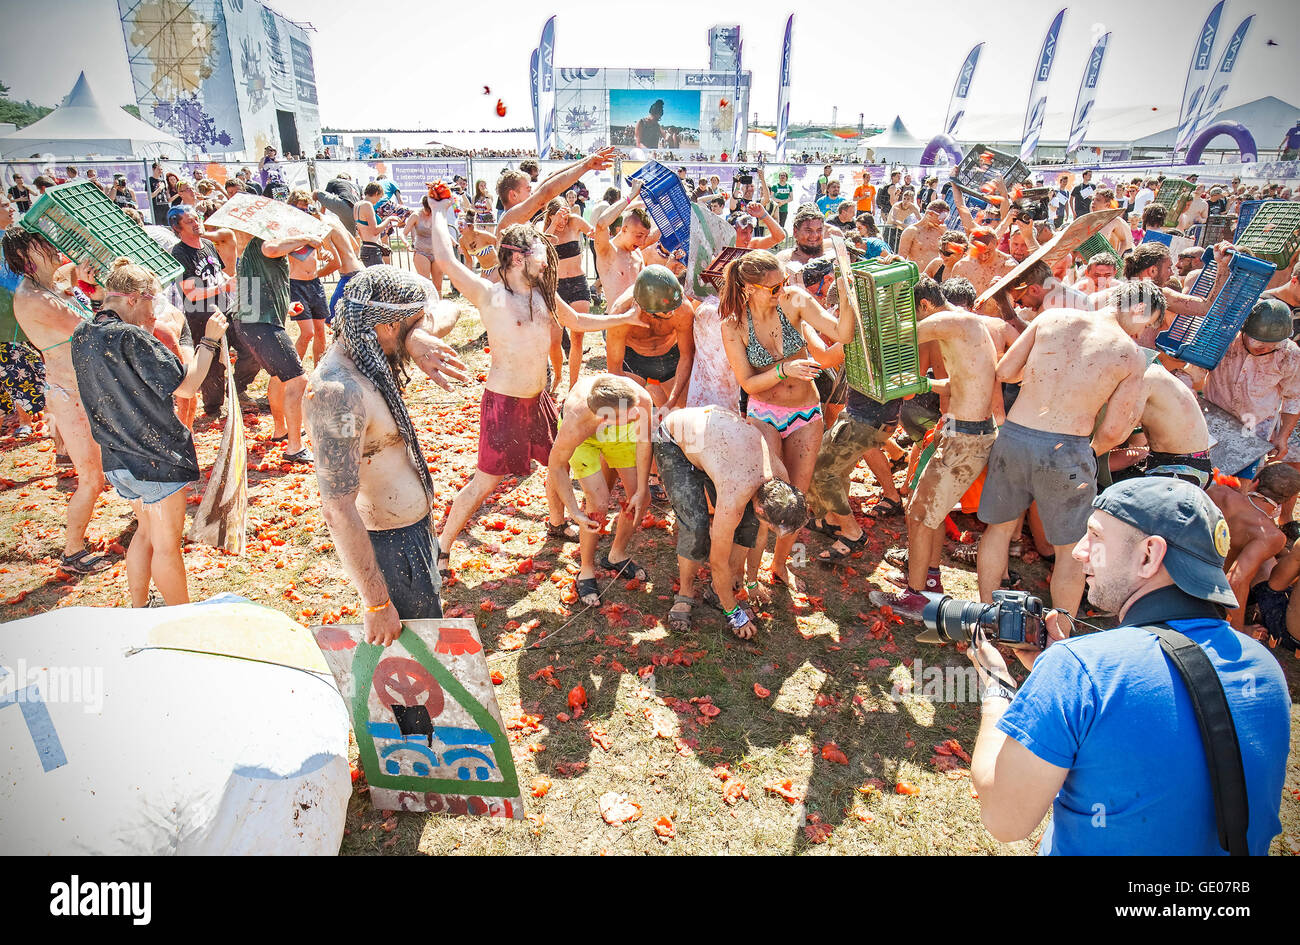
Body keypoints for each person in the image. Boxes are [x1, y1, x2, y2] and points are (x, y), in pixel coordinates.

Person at [965, 476, 1289, 855]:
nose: (1080, 552)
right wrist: (1062, 687)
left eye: (1096, 536)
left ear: (1150, 554)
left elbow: (1004, 821)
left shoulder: (1078, 668)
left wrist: (997, 689)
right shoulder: (1266, 668)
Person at [423, 199, 648, 575]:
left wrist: (623, 317)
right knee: (485, 482)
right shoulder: (489, 294)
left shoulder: (544, 293)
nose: (547, 262)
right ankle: (441, 547)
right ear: (515, 259)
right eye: (540, 256)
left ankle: (557, 523)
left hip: (538, 400)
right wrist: (440, 212)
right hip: (503, 404)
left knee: (553, 463)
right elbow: (446, 261)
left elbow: (576, 320)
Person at [304, 266, 468, 645]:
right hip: (389, 551)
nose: (421, 329)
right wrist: (377, 603)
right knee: (414, 666)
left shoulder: (370, 345)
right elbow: (337, 508)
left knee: (426, 649)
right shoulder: (337, 393)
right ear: (389, 325)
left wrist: (416, 337)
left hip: (412, 534)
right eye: (412, 324)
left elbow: (448, 310)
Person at [977, 287, 1153, 617]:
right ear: (1140, 309)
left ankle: (986, 616)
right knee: (1071, 551)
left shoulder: (1052, 317)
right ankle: (1060, 637)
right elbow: (1116, 429)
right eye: (1147, 323)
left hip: (1015, 436)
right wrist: (1092, 449)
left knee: (998, 531)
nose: (1142, 332)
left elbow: (1005, 371)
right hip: (1068, 448)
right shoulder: (1130, 354)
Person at [71, 259, 226, 606]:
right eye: (151, 302)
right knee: (167, 546)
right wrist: (208, 341)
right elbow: (187, 387)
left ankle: (139, 609)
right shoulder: (130, 336)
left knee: (145, 534)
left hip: (118, 457)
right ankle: (181, 623)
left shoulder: (83, 332)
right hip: (154, 460)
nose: (154, 313)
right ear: (132, 299)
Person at [720, 250, 855, 593]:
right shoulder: (734, 324)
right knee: (765, 496)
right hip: (764, 411)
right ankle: (749, 576)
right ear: (749, 288)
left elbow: (843, 333)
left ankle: (780, 566)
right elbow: (748, 383)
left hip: (806, 413)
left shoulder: (795, 300)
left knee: (796, 498)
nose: (782, 288)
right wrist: (784, 369)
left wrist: (848, 292)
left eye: (783, 281)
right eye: (773, 286)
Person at [868, 278, 999, 615]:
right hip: (959, 431)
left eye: (914, 313)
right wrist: (923, 382)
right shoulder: (965, 325)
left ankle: (916, 598)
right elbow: (956, 384)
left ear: (924, 305)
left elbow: (889, 340)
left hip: (966, 437)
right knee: (924, 508)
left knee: (920, 515)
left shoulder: (947, 321)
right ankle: (928, 581)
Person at [2, 227, 110, 574]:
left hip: (89, 386)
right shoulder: (33, 298)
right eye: (41, 247)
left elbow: (80, 293)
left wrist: (90, 283)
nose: (51, 249)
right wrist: (104, 298)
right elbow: (92, 327)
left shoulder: (54, 283)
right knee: (92, 477)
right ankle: (72, 552)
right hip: (71, 395)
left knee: (109, 469)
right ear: (23, 259)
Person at [655, 405, 808, 637]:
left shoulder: (781, 478)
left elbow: (760, 533)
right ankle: (685, 594)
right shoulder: (736, 492)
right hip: (675, 441)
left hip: (719, 447)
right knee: (696, 527)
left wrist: (753, 582)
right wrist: (734, 614)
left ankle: (718, 592)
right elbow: (718, 561)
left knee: (750, 524)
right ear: (761, 507)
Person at [546, 373, 653, 605]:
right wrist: (574, 512)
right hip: (588, 440)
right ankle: (586, 569)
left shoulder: (639, 400)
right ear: (604, 419)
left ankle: (617, 555)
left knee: (640, 498)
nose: (637, 414)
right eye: (630, 414)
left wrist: (643, 487)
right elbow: (555, 467)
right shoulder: (577, 420)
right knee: (598, 503)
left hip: (621, 434)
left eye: (634, 409)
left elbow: (644, 442)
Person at [230, 228, 324, 462]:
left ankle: (281, 431)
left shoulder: (257, 248)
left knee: (280, 377)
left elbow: (264, 282)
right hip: (260, 323)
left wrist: (286, 307)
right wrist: (305, 237)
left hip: (256, 321)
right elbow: (271, 248)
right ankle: (294, 447)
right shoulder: (266, 240)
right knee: (297, 380)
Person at [167, 207, 257, 417]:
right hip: (200, 315)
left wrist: (232, 282)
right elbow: (192, 293)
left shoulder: (207, 244)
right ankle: (213, 409)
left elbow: (218, 274)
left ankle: (238, 389)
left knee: (251, 349)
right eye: (190, 221)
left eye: (197, 218)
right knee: (212, 364)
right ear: (177, 227)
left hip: (226, 308)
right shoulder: (179, 253)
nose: (197, 223)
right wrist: (222, 288)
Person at [1204, 298, 1300, 473]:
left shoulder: (1290, 354)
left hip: (1255, 428)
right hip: (1212, 418)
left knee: (1239, 485)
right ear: (1243, 331)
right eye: (1258, 343)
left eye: (1270, 346)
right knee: (1206, 477)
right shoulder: (1225, 340)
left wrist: (1282, 437)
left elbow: (1293, 398)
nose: (1263, 349)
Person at [543, 197, 596, 390]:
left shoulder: (575, 222)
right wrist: (554, 223)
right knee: (554, 339)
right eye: (560, 216)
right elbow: (541, 245)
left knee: (577, 335)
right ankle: (558, 376)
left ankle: (574, 384)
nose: (564, 219)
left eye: (566, 214)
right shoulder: (548, 230)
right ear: (551, 215)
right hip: (557, 287)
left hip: (578, 282)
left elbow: (594, 232)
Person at [284, 192, 334, 367]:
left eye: (307, 209)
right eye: (300, 209)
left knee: (320, 331)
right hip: (295, 286)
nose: (304, 213)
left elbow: (316, 254)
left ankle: (318, 372)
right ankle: (293, 373)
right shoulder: (286, 231)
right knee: (307, 333)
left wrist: (324, 254)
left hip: (315, 285)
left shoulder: (312, 229)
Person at [356, 183, 399, 267]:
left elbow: (359, 229)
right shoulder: (367, 205)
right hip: (372, 250)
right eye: (379, 197)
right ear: (376, 193)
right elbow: (375, 231)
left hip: (367, 247)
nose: (378, 201)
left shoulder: (357, 205)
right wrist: (389, 219)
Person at [897, 200, 949, 270]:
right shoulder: (911, 231)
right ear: (930, 214)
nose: (942, 222)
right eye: (941, 218)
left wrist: (946, 235)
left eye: (945, 219)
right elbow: (901, 258)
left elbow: (951, 256)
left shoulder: (941, 232)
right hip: (918, 276)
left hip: (935, 278)